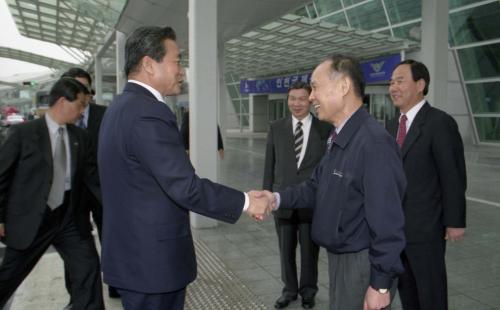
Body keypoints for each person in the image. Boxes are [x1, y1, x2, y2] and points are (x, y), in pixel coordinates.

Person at [98, 26, 271, 310]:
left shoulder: (119, 108)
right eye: (177, 61)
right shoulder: (147, 113)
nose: (181, 70)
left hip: (134, 258)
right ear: (148, 65)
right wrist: (246, 201)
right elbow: (185, 187)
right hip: (151, 265)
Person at [260, 54, 407, 310]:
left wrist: (381, 284)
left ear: (343, 87)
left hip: (361, 263)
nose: (311, 96)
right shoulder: (340, 137)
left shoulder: (373, 143)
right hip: (341, 258)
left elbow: (388, 222)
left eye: (315, 87)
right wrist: (276, 198)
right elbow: (315, 186)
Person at [0, 78, 104, 309]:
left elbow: (92, 180)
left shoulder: (80, 138)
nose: (82, 111)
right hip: (32, 219)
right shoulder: (22, 134)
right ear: (61, 101)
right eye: (79, 105)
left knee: (88, 269)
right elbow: (2, 177)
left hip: (69, 219)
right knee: (7, 278)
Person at [386, 59, 467, 310]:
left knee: (430, 294)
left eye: (400, 80)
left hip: (426, 229)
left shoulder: (439, 122)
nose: (393, 87)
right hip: (396, 229)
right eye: (391, 82)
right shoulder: (392, 125)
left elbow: (453, 175)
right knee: (407, 292)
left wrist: (454, 221)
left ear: (420, 84)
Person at [263, 81, 331, 309]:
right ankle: (289, 290)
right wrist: (265, 197)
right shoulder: (276, 127)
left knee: (310, 251)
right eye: (292, 98)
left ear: (310, 99)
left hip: (312, 203)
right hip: (282, 201)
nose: (297, 103)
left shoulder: (324, 129)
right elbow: (269, 166)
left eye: (302, 98)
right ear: (287, 100)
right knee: (285, 250)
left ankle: (308, 291)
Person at [60, 68, 120, 301]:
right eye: (75, 87)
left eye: (85, 88)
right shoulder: (62, 117)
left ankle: (117, 285)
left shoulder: (105, 114)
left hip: (104, 192)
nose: (81, 93)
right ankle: (76, 295)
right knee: (74, 248)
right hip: (72, 197)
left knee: (112, 241)